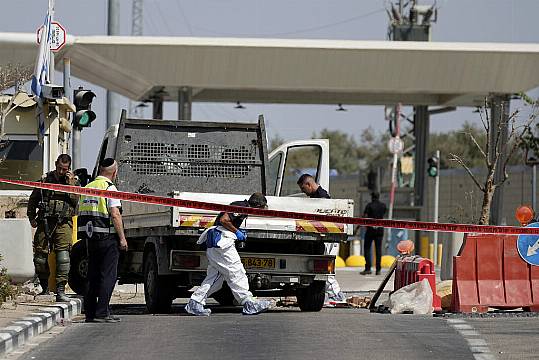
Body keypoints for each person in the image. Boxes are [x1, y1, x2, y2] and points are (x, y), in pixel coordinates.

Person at [185, 193, 272, 316]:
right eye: (261, 208)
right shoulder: (241, 207)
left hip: (217, 244)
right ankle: (248, 302)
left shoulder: (242, 207)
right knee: (236, 271)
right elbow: (224, 220)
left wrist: (236, 230)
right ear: (257, 205)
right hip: (222, 243)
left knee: (216, 277)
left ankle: (195, 302)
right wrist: (237, 232)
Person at [78, 158, 128, 323]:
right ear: (114, 172)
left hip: (90, 238)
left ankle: (90, 312)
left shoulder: (87, 187)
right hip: (107, 237)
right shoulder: (109, 188)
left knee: (92, 275)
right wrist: (122, 239)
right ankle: (103, 312)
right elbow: (115, 214)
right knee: (108, 275)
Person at [27, 154, 79, 302]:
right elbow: (33, 199)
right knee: (39, 258)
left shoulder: (74, 182)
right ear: (56, 164)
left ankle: (61, 290)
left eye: (65, 169)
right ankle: (45, 288)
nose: (62, 172)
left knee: (63, 258)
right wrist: (31, 217)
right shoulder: (45, 179)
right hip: (45, 222)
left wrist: (70, 185)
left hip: (63, 223)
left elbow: (77, 202)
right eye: (60, 168)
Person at [296, 174, 345, 304]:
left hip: (328, 237)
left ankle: (336, 295)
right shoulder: (317, 196)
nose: (303, 192)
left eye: (303, 188)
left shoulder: (322, 198)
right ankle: (334, 294)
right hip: (324, 237)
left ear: (309, 185)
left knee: (326, 269)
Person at [361, 192, 387, 276]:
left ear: (372, 197)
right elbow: (383, 214)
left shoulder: (369, 205)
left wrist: (357, 228)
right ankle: (378, 269)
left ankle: (368, 268)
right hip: (379, 230)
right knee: (378, 250)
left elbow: (364, 216)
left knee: (367, 248)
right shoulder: (383, 205)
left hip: (370, 230)